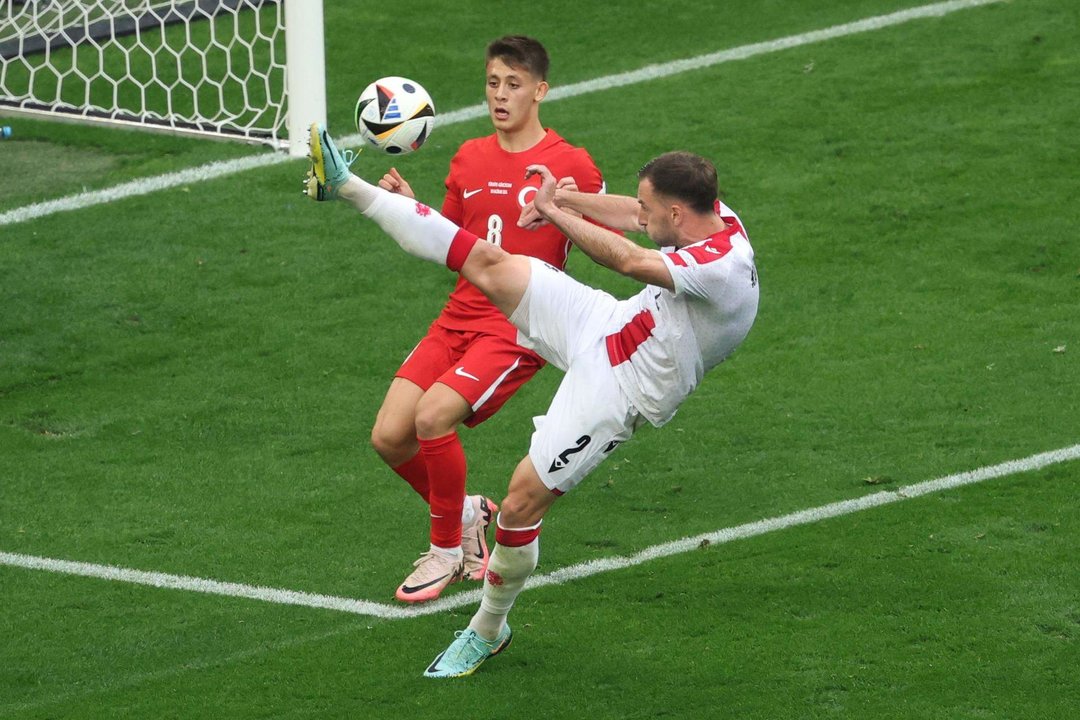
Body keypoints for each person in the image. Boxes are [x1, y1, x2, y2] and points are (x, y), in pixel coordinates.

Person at [303, 126, 759, 677]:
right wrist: (561, 198)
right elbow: (628, 215)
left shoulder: (721, 266)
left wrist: (558, 215)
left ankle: (487, 630)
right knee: (490, 262)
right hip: (608, 323)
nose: (639, 214)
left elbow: (629, 261)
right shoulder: (714, 215)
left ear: (678, 214)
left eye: (648, 208)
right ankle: (347, 186)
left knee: (519, 506)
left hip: (622, 388)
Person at [364, 36, 608, 603]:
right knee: (388, 436)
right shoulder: (468, 157)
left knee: (432, 418)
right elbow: (449, 239)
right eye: (494, 83)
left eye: (514, 84)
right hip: (457, 318)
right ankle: (469, 513)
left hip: (518, 325)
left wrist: (565, 208)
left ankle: (446, 551)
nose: (501, 95)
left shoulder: (571, 165)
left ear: (540, 91)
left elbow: (607, 246)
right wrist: (407, 203)